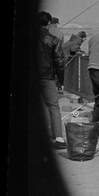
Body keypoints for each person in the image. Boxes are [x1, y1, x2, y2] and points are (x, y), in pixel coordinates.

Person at [37, 11, 66, 148]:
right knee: (53, 107)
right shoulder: (54, 40)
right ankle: (59, 138)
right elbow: (59, 63)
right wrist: (61, 81)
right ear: (49, 23)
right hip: (47, 77)